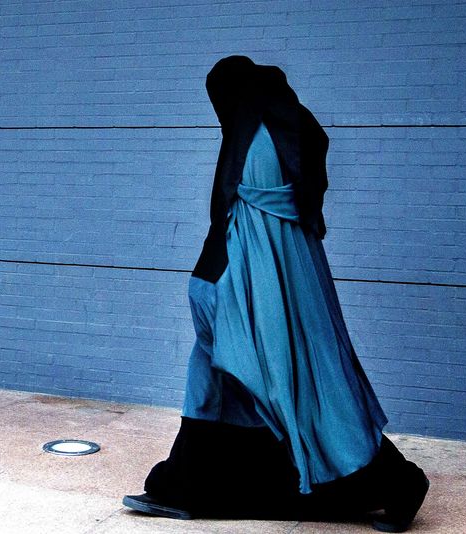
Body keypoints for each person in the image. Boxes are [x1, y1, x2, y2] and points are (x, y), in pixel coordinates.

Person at [123, 55, 430, 532]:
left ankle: (398, 483)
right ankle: (181, 488)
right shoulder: (285, 128)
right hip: (264, 288)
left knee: (295, 393)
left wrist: (223, 295)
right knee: (224, 385)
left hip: (251, 292)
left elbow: (245, 224)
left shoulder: (254, 138)